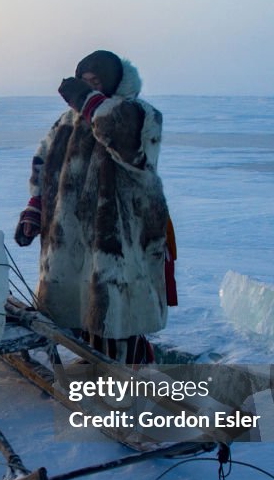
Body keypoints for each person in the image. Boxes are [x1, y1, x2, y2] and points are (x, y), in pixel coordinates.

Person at [14, 50, 176, 364]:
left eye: (95, 82)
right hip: (72, 233)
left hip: (121, 234)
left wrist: (87, 101)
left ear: (113, 82)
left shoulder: (140, 114)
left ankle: (130, 372)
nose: (87, 90)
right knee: (83, 307)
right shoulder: (67, 122)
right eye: (83, 83)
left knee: (116, 310)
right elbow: (43, 162)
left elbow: (126, 144)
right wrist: (35, 206)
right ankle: (93, 366)